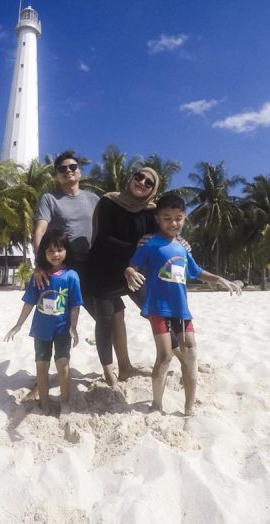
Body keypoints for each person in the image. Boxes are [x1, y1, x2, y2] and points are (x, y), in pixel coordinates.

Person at [124, 193, 242, 416]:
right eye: (167, 218)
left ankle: (189, 407)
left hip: (181, 310)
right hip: (158, 309)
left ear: (184, 218)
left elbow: (196, 272)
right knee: (165, 356)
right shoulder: (150, 244)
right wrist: (130, 273)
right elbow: (132, 266)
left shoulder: (184, 248)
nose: (173, 223)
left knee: (191, 355)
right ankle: (156, 405)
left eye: (178, 218)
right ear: (157, 218)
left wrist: (219, 279)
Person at [86, 166, 161, 387]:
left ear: (153, 189)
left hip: (134, 272)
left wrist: (181, 242)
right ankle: (112, 372)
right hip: (103, 271)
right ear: (131, 178)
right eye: (139, 177)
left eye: (149, 182)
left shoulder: (152, 212)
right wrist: (135, 248)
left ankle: (182, 356)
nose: (142, 182)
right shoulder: (109, 201)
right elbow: (103, 238)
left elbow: (161, 239)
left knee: (156, 312)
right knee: (106, 319)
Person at [5, 228, 82, 413]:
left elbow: (75, 305)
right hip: (41, 330)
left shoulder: (72, 276)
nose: (55, 254)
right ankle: (44, 402)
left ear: (66, 250)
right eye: (50, 251)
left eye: (59, 250)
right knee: (41, 366)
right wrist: (18, 324)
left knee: (63, 365)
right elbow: (29, 302)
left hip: (62, 329)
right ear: (44, 253)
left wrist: (74, 327)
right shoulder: (39, 276)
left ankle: (65, 402)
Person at [33, 150, 100, 279]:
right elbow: (40, 231)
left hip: (91, 262)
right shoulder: (49, 199)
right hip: (62, 264)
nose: (68, 170)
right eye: (62, 169)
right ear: (57, 176)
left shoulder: (94, 199)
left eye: (73, 167)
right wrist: (40, 263)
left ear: (80, 172)